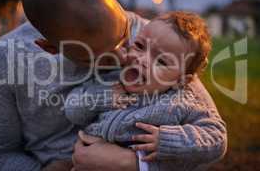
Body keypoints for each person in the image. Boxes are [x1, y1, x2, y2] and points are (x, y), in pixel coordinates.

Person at [0, 0, 147, 170]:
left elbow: (193, 132)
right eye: (93, 57)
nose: (123, 57)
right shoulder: (5, 58)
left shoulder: (150, 33)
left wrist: (134, 162)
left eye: (124, 33)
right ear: (49, 48)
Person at [64, 11, 227, 170]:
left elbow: (217, 138)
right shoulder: (110, 79)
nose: (142, 59)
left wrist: (167, 141)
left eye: (161, 61)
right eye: (140, 46)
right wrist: (103, 98)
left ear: (180, 80)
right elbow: (72, 110)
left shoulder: (181, 101)